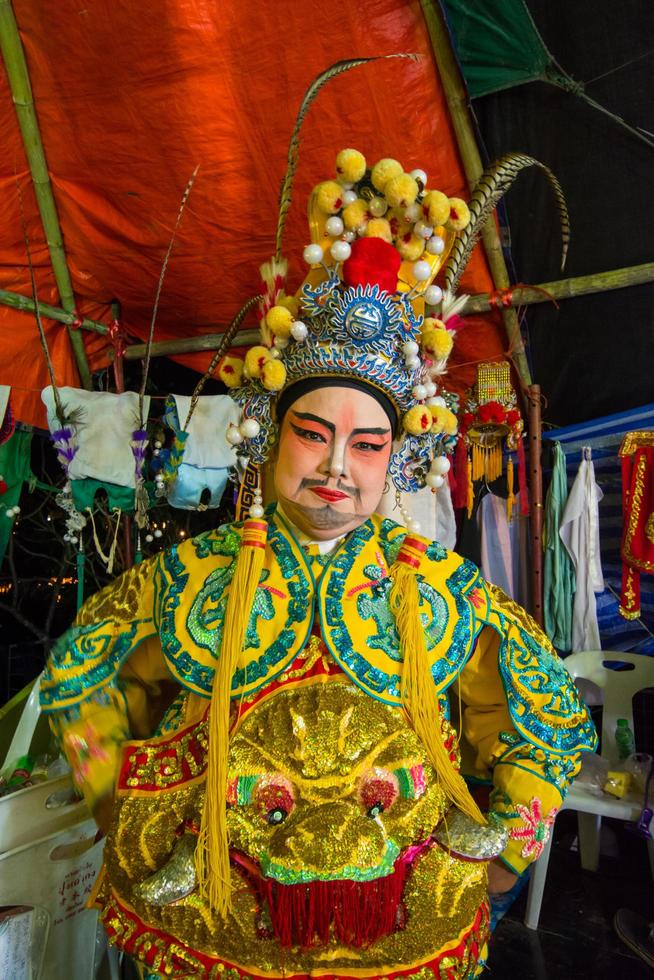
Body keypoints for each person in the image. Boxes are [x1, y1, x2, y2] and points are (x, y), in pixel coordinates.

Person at [40, 133, 596, 980]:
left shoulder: (445, 591)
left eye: (368, 445)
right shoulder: (187, 580)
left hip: (405, 927)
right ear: (266, 435)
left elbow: (544, 719)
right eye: (313, 433)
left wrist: (498, 862)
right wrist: (137, 823)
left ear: (396, 460)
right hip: (216, 930)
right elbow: (84, 681)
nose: (338, 465)